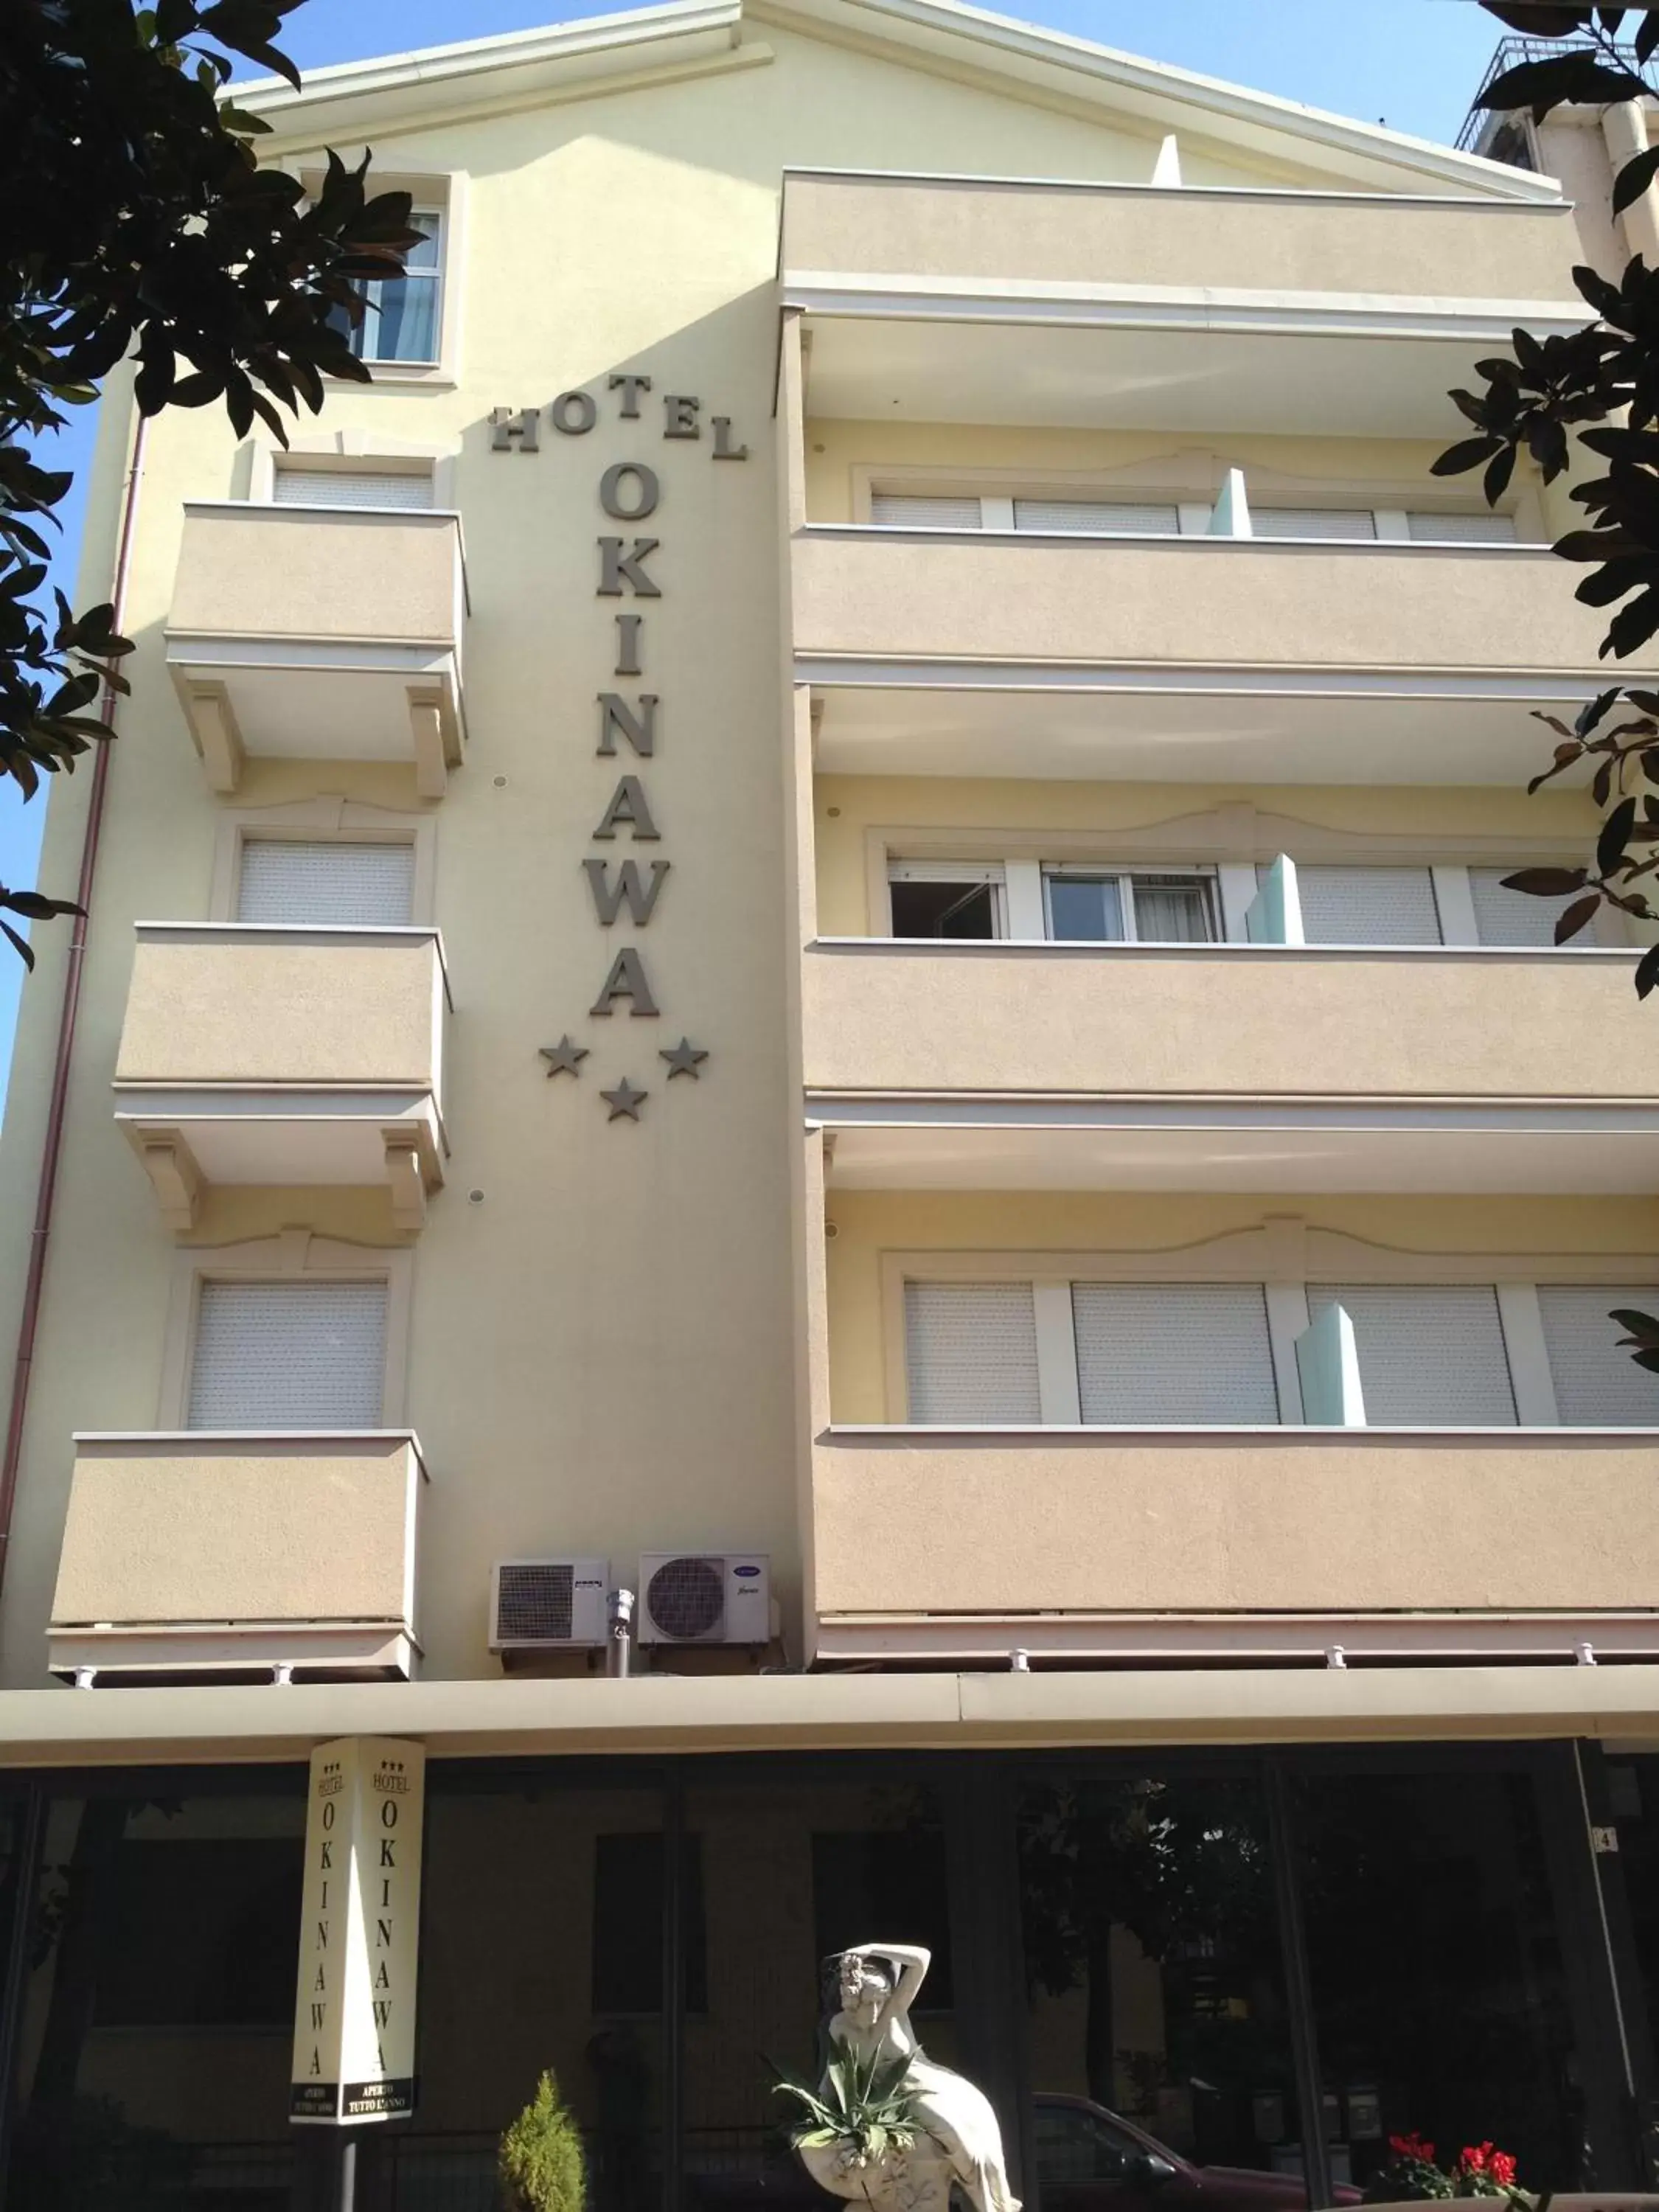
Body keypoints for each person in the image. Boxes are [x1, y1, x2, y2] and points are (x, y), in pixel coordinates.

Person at [825, 1943, 1020, 2212]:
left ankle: (989, 2200)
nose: (874, 2010)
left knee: (953, 2133)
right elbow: (834, 2074)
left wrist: (874, 1949)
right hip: (877, 2100)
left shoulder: (894, 2010)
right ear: (851, 2001)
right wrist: (820, 2115)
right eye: (867, 2003)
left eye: (879, 2002)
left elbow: (921, 1959)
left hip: (917, 2086)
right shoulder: (839, 2027)